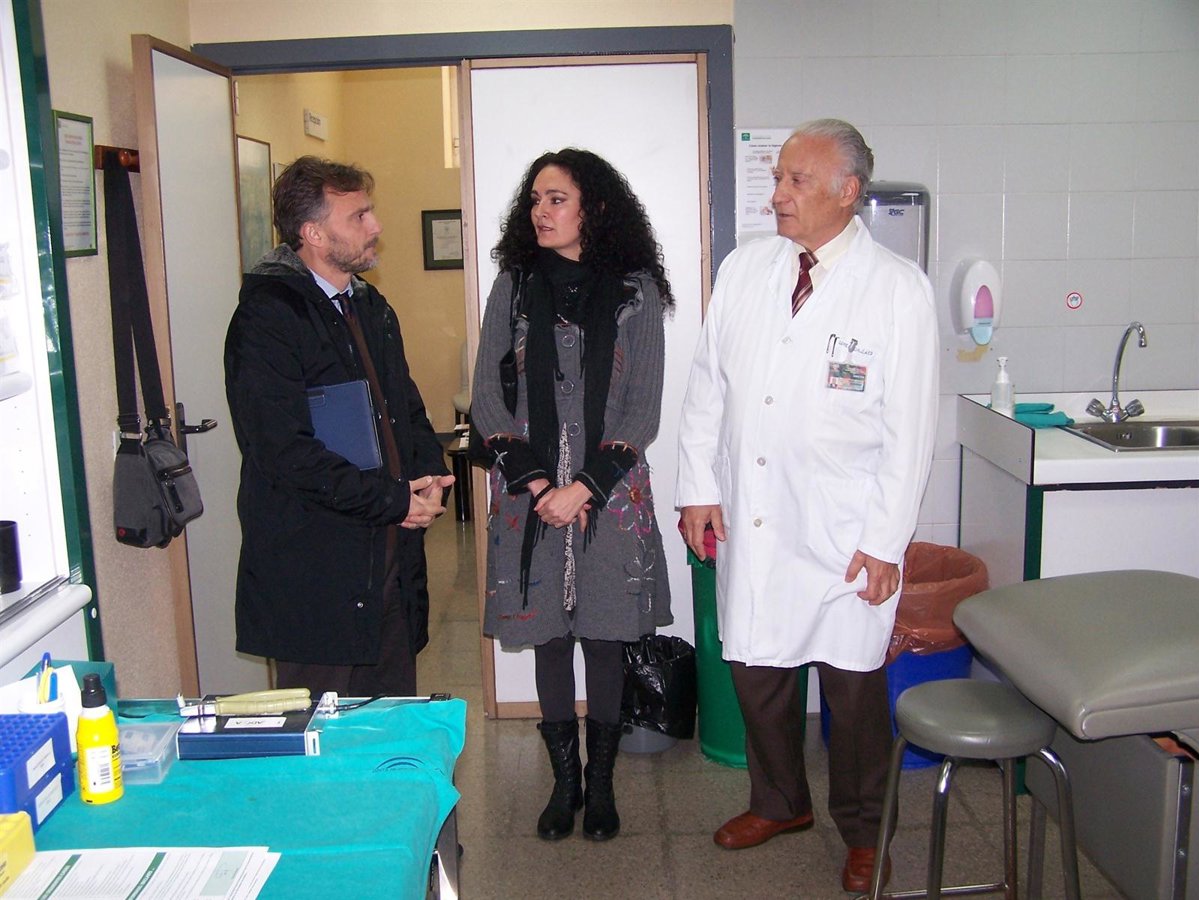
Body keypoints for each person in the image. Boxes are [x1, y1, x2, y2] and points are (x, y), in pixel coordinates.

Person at [676, 119, 938, 893]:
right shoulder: (746, 269)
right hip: (754, 515)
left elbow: (911, 432)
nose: (778, 195)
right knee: (756, 670)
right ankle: (780, 802)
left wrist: (886, 542)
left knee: (853, 692)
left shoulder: (897, 290)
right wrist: (697, 487)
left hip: (844, 528)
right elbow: (707, 387)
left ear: (847, 191)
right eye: (779, 178)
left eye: (797, 181)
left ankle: (865, 832)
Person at [471, 148, 673, 843]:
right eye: (535, 200)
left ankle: (603, 784)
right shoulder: (514, 285)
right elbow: (487, 400)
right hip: (527, 493)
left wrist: (584, 487)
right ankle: (565, 784)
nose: (541, 212)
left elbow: (642, 409)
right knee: (550, 638)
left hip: (610, 492)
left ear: (595, 207)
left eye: (556, 199)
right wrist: (538, 485)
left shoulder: (636, 292)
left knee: (605, 637)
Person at [225, 156, 454, 701]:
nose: (376, 226)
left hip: (387, 559)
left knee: (389, 718)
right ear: (313, 233)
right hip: (316, 569)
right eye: (359, 216)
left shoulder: (371, 306)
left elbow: (406, 408)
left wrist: (428, 478)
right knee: (323, 728)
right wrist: (392, 501)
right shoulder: (267, 318)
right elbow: (284, 453)